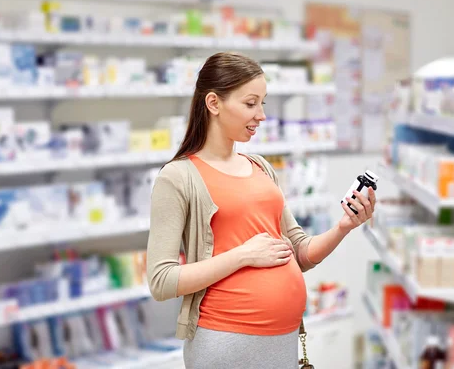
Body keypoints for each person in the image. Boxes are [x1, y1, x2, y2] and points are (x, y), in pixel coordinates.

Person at [146, 52, 376, 369]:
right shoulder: (178, 177)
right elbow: (161, 280)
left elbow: (300, 252)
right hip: (227, 343)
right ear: (213, 103)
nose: (261, 115)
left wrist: (344, 226)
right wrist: (244, 255)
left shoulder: (260, 167)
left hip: (282, 341)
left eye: (263, 103)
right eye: (250, 103)